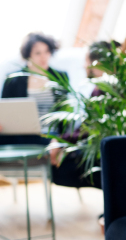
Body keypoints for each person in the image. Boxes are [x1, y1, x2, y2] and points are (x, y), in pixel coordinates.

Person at [0, 32, 68, 232]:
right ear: (28, 55)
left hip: (45, 140)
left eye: (46, 51)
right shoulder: (13, 79)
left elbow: (66, 116)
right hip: (14, 135)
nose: (43, 56)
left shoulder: (61, 78)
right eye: (37, 53)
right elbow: (4, 111)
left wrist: (59, 141)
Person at [48, 40, 121, 189]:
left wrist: (60, 142)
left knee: (61, 169)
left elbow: (92, 127)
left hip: (107, 152)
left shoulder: (104, 89)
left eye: (86, 60)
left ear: (97, 62)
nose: (84, 65)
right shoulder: (114, 85)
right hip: (109, 148)